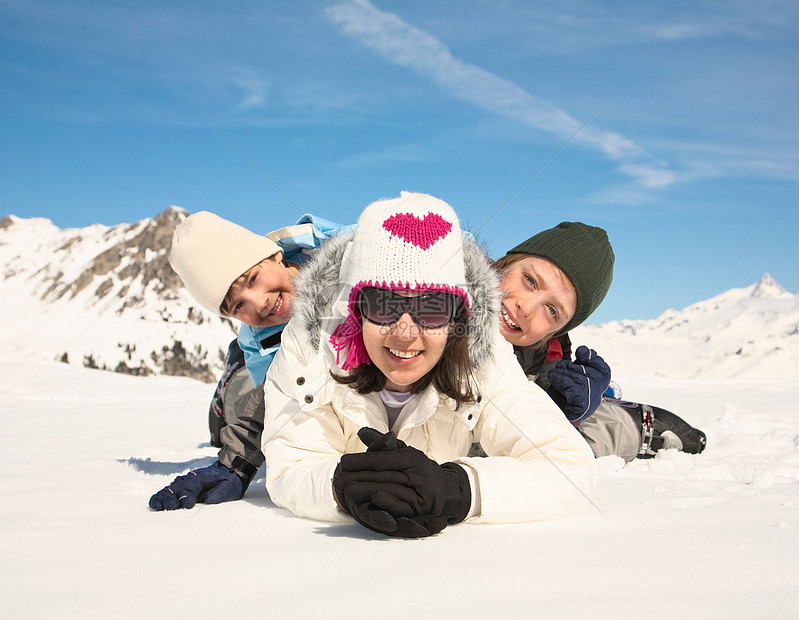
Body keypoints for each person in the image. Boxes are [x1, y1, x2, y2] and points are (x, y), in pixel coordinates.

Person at [260, 191, 597, 536]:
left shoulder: (484, 357)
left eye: (432, 307)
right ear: (355, 307)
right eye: (383, 303)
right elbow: (291, 466)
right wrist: (342, 487)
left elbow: (569, 467)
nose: (405, 332)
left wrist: (458, 489)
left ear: (457, 317)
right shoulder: (309, 345)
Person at [149, 211, 345, 509]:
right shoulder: (257, 339)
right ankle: (230, 381)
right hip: (262, 366)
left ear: (276, 255)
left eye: (253, 279)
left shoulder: (351, 254)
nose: (259, 303)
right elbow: (277, 399)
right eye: (238, 306)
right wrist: (235, 464)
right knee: (238, 407)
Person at [493, 222, 707, 461]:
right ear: (505, 262)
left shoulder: (540, 356)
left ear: (555, 332)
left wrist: (559, 411)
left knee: (572, 450)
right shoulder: (446, 294)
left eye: (552, 311)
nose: (527, 307)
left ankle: (627, 424)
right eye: (530, 281)